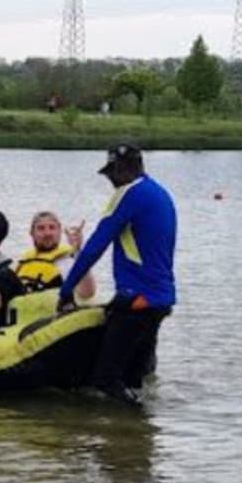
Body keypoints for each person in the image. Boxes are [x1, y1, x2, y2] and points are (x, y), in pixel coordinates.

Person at [58, 143, 177, 405]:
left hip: (136, 300)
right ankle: (139, 439)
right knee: (135, 378)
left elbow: (96, 246)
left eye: (112, 173)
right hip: (159, 300)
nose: (111, 181)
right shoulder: (160, 194)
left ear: (124, 169)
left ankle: (130, 426)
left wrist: (66, 291)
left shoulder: (129, 194)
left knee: (105, 378)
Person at [16, 210, 96, 300]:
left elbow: (87, 293)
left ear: (59, 231)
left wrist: (78, 251)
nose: (47, 233)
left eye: (52, 228)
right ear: (32, 233)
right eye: (41, 228)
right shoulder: (23, 262)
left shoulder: (66, 261)